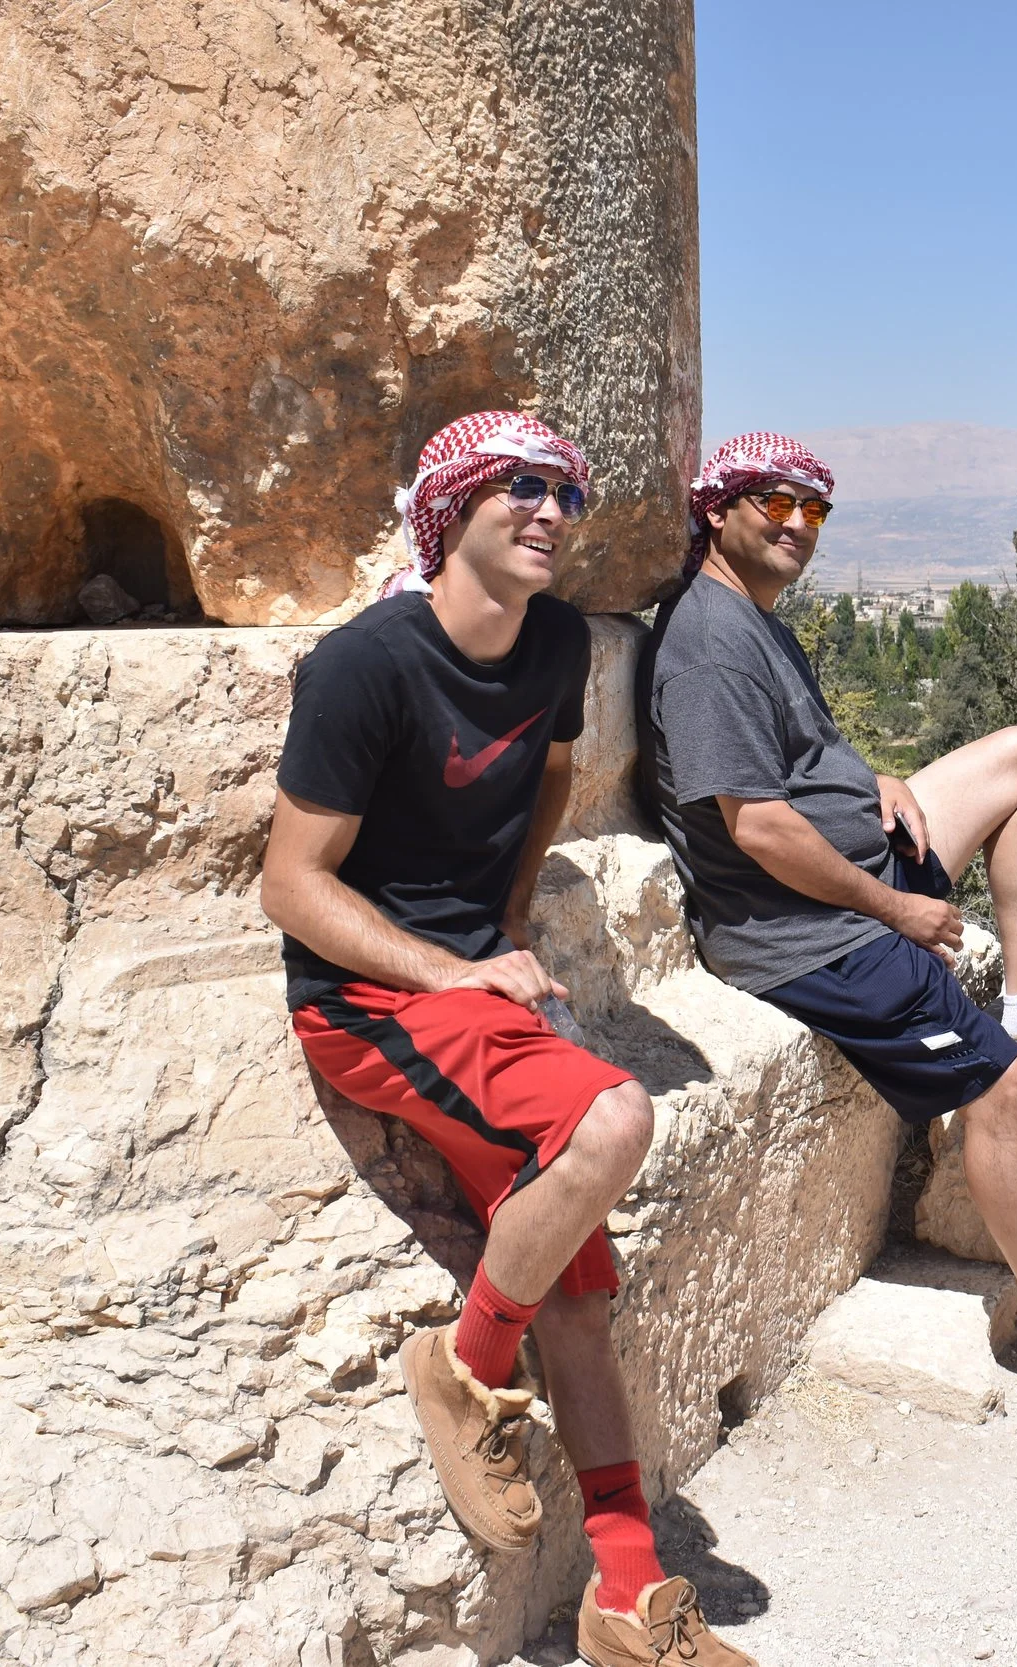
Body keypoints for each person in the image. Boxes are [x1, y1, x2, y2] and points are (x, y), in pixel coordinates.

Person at [262, 411, 756, 1667]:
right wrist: (454, 965)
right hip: (368, 1005)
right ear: (452, 507)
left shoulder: (548, 647)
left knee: (579, 1292)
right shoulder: (363, 666)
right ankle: (463, 1364)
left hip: (471, 985)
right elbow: (293, 884)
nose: (551, 509)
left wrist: (506, 911)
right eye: (520, 487)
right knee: (614, 1115)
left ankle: (629, 1594)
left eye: (568, 492)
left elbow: (547, 771)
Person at [638, 431, 1017, 1408]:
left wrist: (878, 781)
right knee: (996, 1084)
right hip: (803, 929)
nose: (795, 525)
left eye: (814, 509)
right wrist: (895, 904)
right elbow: (763, 829)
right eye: (775, 503)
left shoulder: (755, 615)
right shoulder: (705, 644)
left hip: (851, 867)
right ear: (718, 506)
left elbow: (804, 759)